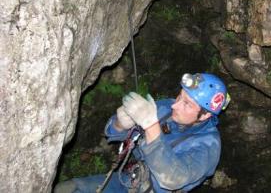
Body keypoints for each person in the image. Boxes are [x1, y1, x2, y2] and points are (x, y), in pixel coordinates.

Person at [54, 72, 229, 193]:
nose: (175, 105)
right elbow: (114, 133)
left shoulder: (208, 146)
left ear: (205, 115)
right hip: (128, 181)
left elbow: (172, 178)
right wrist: (120, 125)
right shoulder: (166, 108)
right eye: (180, 96)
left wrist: (151, 126)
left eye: (187, 104)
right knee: (68, 189)